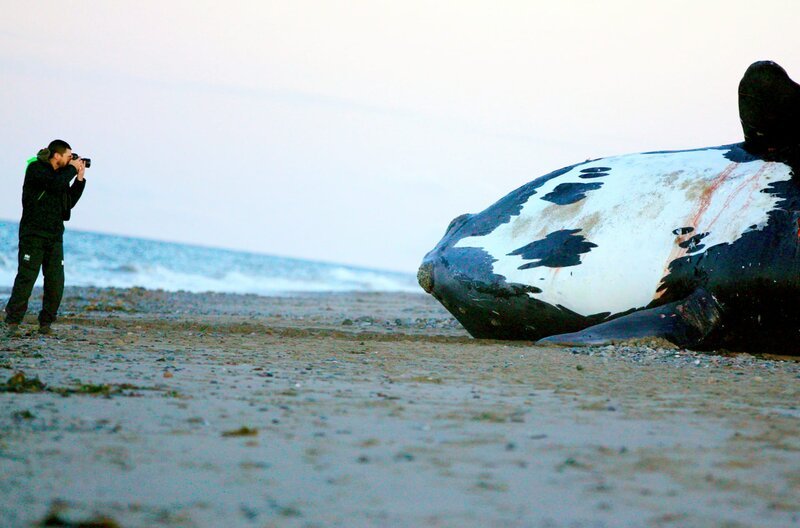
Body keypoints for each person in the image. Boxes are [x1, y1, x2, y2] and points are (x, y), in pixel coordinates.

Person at [4, 139, 87, 336]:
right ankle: (13, 322)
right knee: (27, 278)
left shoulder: (61, 176)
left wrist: (80, 179)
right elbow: (53, 184)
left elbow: (68, 204)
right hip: (33, 234)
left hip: (54, 236)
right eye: (69, 156)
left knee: (56, 282)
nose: (71, 160)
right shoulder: (36, 168)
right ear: (56, 155)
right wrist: (71, 171)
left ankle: (46, 324)